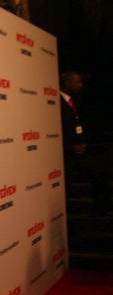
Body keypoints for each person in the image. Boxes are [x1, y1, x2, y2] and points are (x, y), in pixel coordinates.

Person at [60, 70, 111, 216]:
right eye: (77, 82)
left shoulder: (71, 101)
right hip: (67, 153)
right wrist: (71, 145)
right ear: (66, 83)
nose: (80, 85)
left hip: (78, 150)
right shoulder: (57, 102)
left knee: (100, 172)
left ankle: (101, 209)